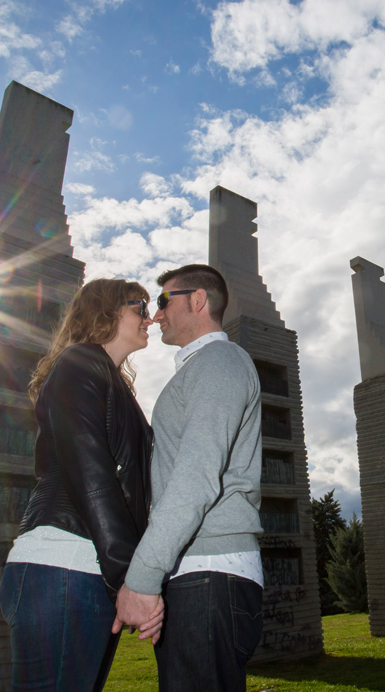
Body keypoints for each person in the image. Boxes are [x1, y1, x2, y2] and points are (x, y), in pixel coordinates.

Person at [0, 278, 164, 692]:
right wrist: (129, 578)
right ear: (105, 311)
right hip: (63, 565)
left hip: (86, 570)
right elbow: (93, 478)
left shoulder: (112, 382)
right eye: (138, 307)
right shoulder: (80, 363)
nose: (150, 318)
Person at [112, 264, 264, 692]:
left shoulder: (218, 362)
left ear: (198, 301)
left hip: (209, 573)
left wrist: (141, 578)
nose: (156, 314)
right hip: (199, 574)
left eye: (163, 302)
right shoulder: (203, 368)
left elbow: (195, 480)